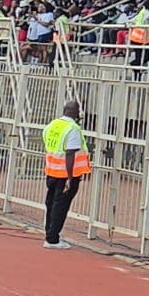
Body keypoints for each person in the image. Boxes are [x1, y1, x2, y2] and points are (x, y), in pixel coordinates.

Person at [42, 99, 90, 249]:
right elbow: (70, 153)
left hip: (51, 171)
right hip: (66, 174)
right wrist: (70, 178)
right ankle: (52, 239)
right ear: (76, 113)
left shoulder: (52, 125)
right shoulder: (72, 129)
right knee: (60, 205)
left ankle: (50, 233)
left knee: (51, 203)